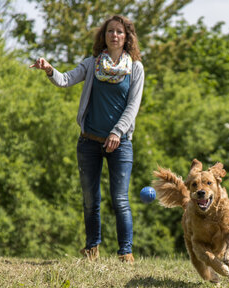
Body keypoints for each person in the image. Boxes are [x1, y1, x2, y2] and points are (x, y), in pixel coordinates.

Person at [30, 15, 144, 263]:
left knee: (121, 199)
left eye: (119, 32)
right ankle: (92, 249)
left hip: (120, 143)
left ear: (127, 38)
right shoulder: (93, 64)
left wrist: (117, 132)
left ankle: (126, 252)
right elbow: (66, 79)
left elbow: (133, 106)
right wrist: (49, 69)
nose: (114, 35)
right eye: (110, 31)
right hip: (89, 142)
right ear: (104, 36)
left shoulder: (135, 68)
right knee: (91, 199)